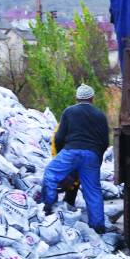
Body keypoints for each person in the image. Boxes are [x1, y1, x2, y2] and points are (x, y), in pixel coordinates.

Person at [42, 84, 109, 233]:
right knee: (93, 190)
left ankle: (48, 208)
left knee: (50, 174)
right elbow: (105, 141)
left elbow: (59, 137)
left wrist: (61, 155)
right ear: (92, 98)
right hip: (92, 154)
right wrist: (97, 157)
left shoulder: (69, 112)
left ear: (77, 98)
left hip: (71, 151)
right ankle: (98, 226)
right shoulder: (100, 115)